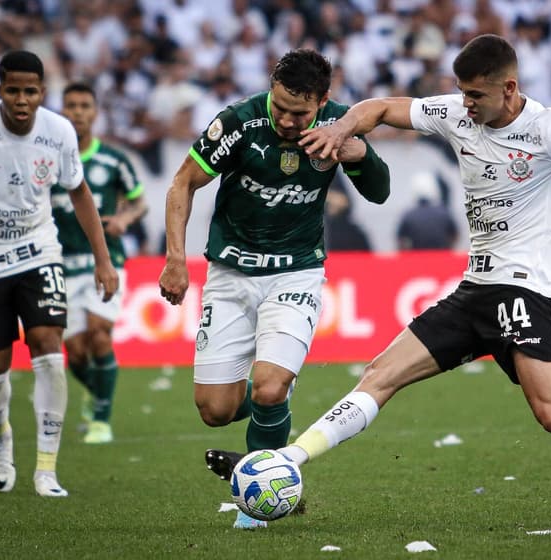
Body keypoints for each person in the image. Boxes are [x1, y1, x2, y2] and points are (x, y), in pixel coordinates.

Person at [205, 34, 551, 521]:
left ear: (510, 88)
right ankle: (283, 464)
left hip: (522, 292)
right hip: (474, 290)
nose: (464, 104)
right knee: (379, 374)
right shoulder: (455, 113)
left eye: (476, 94)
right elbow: (379, 107)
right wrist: (341, 127)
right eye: (462, 91)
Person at [158, 48, 390, 529]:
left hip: (296, 272)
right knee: (215, 410)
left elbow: (380, 191)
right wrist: (175, 259)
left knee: (267, 387)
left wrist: (360, 152)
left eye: (299, 112)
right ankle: (275, 398)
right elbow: (183, 183)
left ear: (322, 101)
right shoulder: (239, 123)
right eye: (280, 105)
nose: (286, 119)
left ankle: (257, 503)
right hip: (230, 273)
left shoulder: (339, 125)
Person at [0, 50, 118, 497]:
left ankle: (46, 469)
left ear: (43, 92)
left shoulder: (58, 131)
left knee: (48, 347)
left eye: (30, 91)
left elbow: (79, 193)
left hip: (39, 253)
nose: (21, 100)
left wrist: (103, 260)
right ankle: (0, 432)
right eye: (12, 90)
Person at [51, 82, 148, 444]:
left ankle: (101, 420)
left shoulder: (113, 160)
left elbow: (139, 201)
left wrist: (125, 219)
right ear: (62, 110)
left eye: (84, 106)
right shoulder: (49, 160)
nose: (77, 112)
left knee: (99, 333)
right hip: (61, 263)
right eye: (71, 105)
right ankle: (95, 391)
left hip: (105, 261)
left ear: (95, 112)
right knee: (75, 351)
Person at [397, 170, 458, 250]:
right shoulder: (444, 213)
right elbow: (455, 235)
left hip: (417, 258)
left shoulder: (408, 215)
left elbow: (400, 240)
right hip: (442, 257)